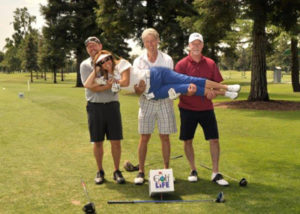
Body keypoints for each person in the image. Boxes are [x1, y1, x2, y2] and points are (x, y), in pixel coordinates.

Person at [175, 32, 236, 186]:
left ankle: (215, 172)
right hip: (187, 108)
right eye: (193, 43)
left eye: (198, 43)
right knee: (187, 140)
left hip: (206, 109)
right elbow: (177, 88)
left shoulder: (210, 63)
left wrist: (213, 95)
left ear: (202, 45)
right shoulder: (181, 65)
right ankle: (193, 169)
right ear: (188, 46)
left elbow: (215, 87)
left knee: (214, 140)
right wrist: (187, 91)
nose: (195, 46)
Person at [93, 51, 241, 100]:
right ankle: (225, 93)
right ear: (100, 66)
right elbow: (95, 86)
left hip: (156, 75)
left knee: (190, 79)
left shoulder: (121, 64)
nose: (106, 62)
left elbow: (124, 83)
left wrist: (109, 83)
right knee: (187, 87)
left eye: (107, 59)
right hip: (152, 92)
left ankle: (226, 87)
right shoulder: (109, 77)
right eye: (102, 62)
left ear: (111, 58)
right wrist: (103, 78)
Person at [80, 36, 128, 185]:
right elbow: (90, 87)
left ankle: (116, 170)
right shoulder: (85, 65)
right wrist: (97, 67)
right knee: (98, 141)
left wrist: (107, 85)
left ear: (100, 46)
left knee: (115, 141)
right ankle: (100, 171)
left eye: (94, 45)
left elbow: (118, 84)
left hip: (112, 105)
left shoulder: (111, 62)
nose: (92, 48)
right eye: (89, 47)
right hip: (95, 107)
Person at [132, 28, 177, 185]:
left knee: (165, 136)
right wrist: (138, 89)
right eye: (147, 41)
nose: (150, 44)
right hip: (146, 103)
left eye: (153, 40)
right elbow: (137, 87)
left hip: (165, 101)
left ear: (158, 41)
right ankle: (140, 171)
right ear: (144, 43)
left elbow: (170, 81)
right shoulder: (138, 61)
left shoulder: (167, 59)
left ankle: (166, 170)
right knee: (144, 136)